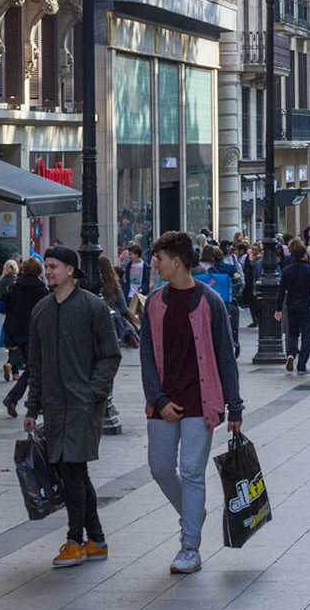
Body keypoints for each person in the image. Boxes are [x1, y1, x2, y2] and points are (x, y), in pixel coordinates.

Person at [138, 231, 244, 574]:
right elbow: (146, 358)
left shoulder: (209, 301)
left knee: (193, 472)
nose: (155, 265)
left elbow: (225, 356)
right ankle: (192, 512)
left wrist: (235, 407)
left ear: (177, 262)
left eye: (160, 259)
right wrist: (158, 398)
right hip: (163, 403)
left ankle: (189, 547)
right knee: (160, 467)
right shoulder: (154, 303)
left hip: (201, 400)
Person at [22, 246, 122, 567]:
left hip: (83, 405)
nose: (48, 271)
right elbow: (34, 365)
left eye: (53, 266)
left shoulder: (93, 307)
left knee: (72, 470)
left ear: (70, 270)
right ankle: (97, 539)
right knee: (76, 472)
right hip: (54, 407)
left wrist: (95, 393)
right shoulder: (41, 310)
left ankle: (73, 541)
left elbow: (110, 355)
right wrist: (32, 408)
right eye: (46, 266)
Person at [0, 251, 47, 418]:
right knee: (35, 368)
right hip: (35, 334)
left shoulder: (13, 287)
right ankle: (16, 398)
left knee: (33, 367)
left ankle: (27, 400)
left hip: (16, 333)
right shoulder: (42, 290)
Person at [275, 236, 310, 375]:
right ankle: (302, 365)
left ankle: (290, 354)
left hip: (291, 305)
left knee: (292, 333)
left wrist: (278, 309)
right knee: (306, 335)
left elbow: (281, 291)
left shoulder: (287, 271)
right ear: (304, 255)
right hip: (306, 305)